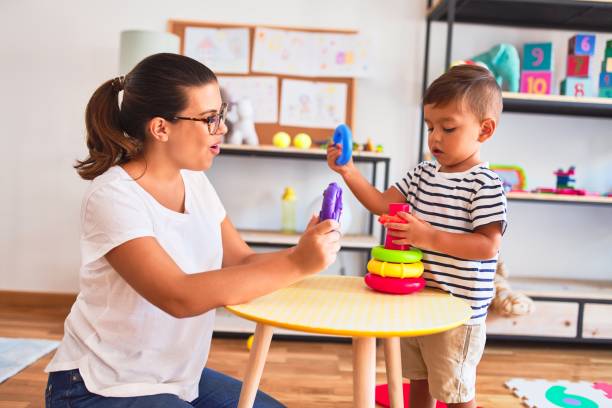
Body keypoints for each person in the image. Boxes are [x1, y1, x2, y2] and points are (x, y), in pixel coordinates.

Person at [45, 53, 341, 408]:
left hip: (179, 377)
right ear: (160, 128)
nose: (223, 128)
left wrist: (307, 251)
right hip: (100, 386)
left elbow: (241, 260)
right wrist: (297, 264)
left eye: (222, 114)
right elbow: (178, 296)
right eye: (209, 119)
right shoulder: (112, 196)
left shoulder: (195, 182)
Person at [327, 64, 507, 408]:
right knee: (418, 382)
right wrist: (348, 171)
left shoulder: (486, 184)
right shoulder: (423, 173)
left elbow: (487, 246)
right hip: (419, 301)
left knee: (455, 393)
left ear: (484, 130)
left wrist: (427, 236)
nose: (435, 137)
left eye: (448, 127)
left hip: (459, 312)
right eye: (430, 127)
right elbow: (380, 203)